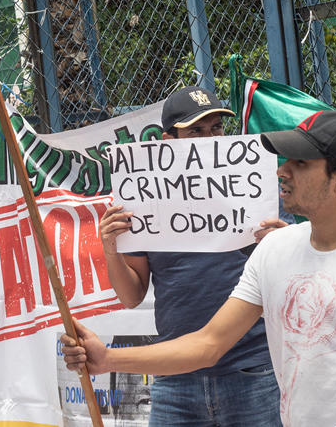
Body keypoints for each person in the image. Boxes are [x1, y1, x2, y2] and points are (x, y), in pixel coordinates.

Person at [70, 110, 336, 427]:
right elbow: (208, 344)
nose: (282, 170)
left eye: (301, 162)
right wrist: (107, 359)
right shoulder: (275, 248)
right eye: (286, 159)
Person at [99, 85, 287, 427]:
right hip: (176, 377)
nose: (210, 137)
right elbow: (131, 296)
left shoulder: (252, 188)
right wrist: (112, 251)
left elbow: (291, 277)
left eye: (216, 127)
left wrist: (282, 245)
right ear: (169, 140)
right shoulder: (144, 201)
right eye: (196, 130)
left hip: (252, 369)